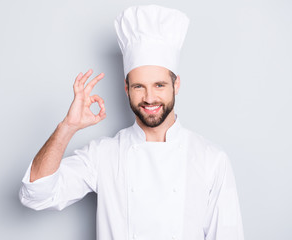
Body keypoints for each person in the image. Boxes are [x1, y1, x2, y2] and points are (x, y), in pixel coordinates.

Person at [19, 4, 244, 240]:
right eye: (139, 86)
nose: (149, 98)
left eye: (159, 85)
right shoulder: (104, 155)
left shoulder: (211, 159)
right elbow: (35, 194)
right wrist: (68, 127)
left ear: (176, 85)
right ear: (126, 89)